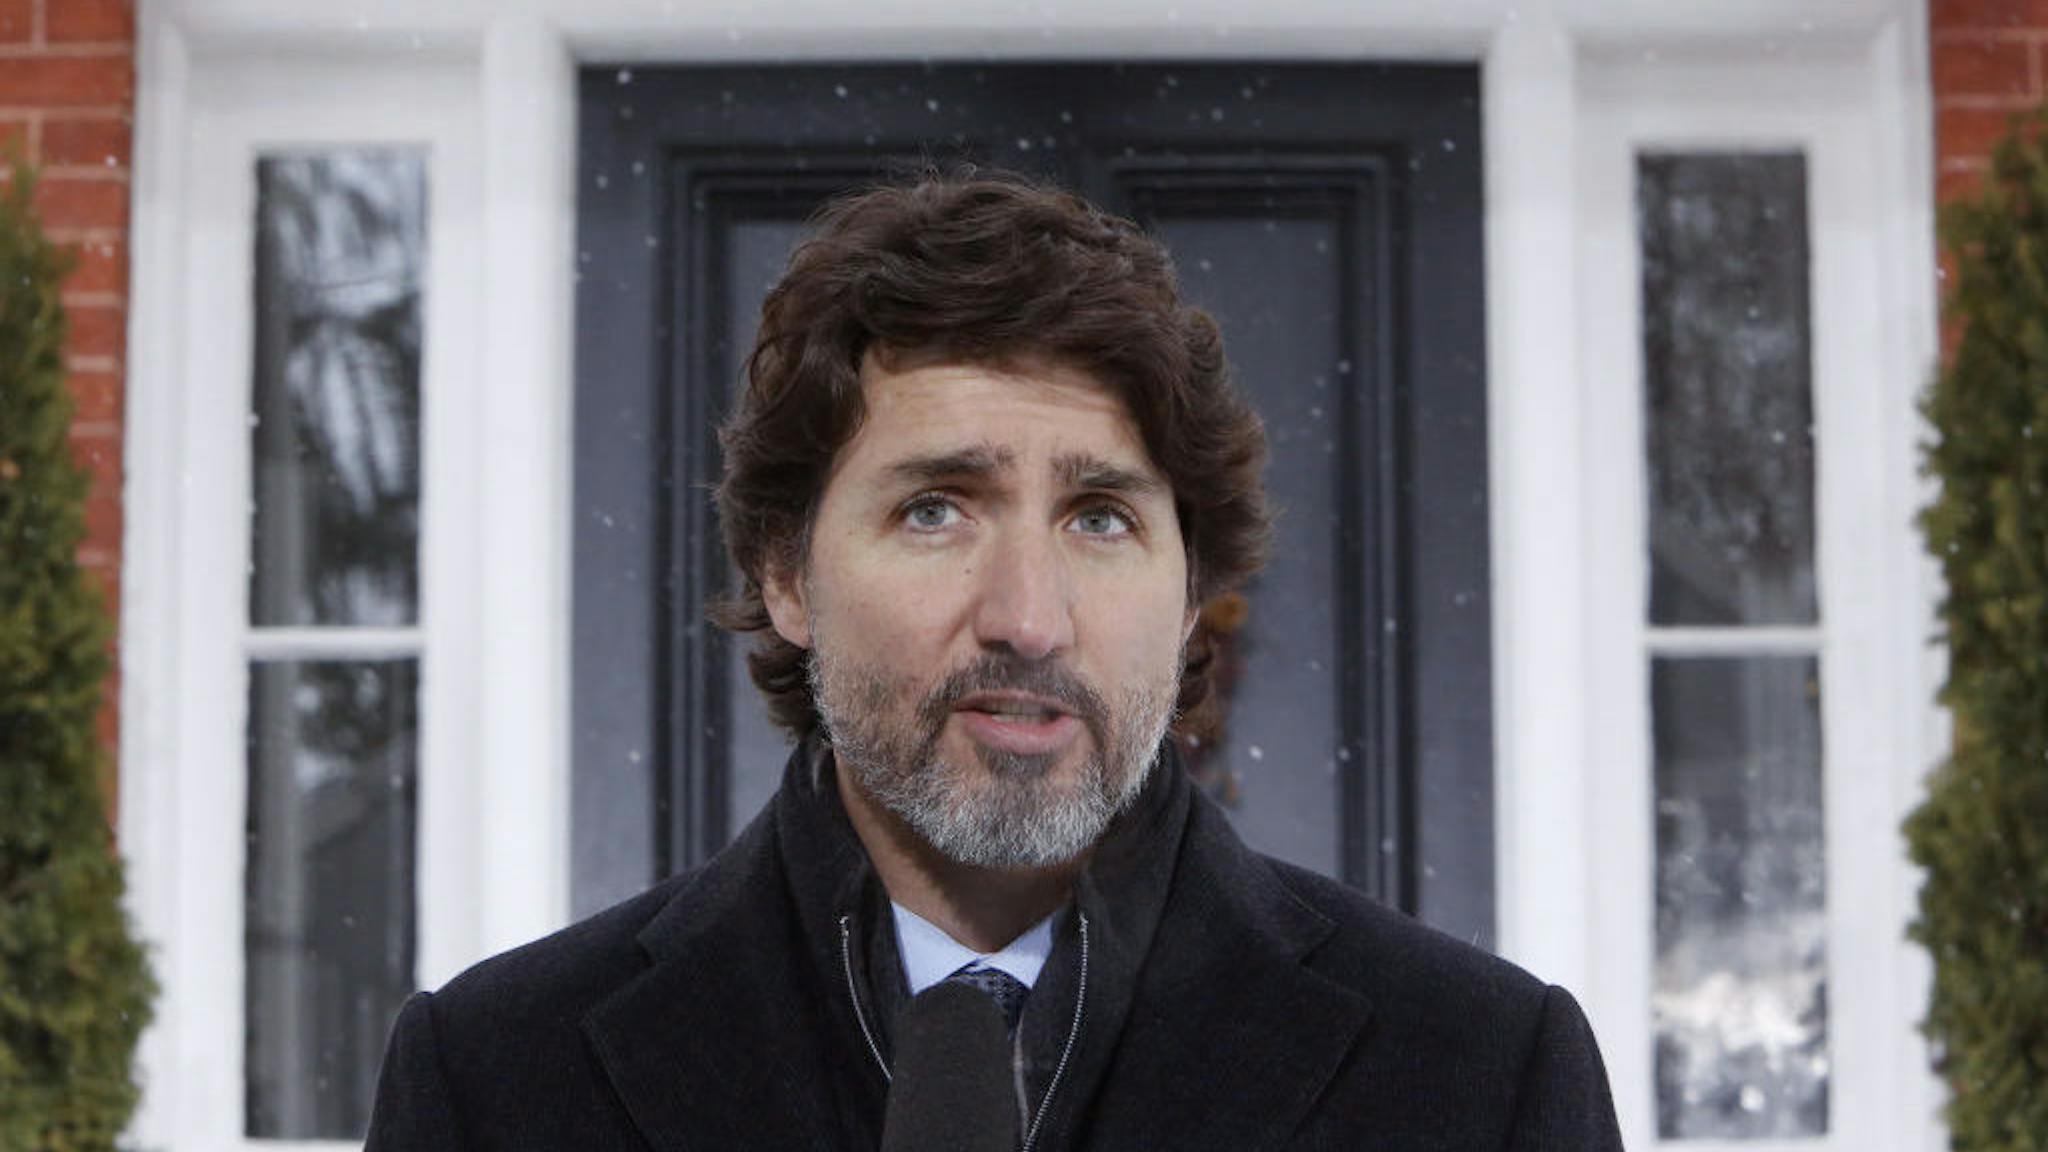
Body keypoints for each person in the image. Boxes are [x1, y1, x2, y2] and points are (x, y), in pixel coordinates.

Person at [365, 170, 1623, 1150]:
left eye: (1099, 519)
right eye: (936, 509)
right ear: (786, 575)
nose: (1028, 616)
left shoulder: (1479, 1075)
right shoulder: (497, 1080)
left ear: (1191, 600)